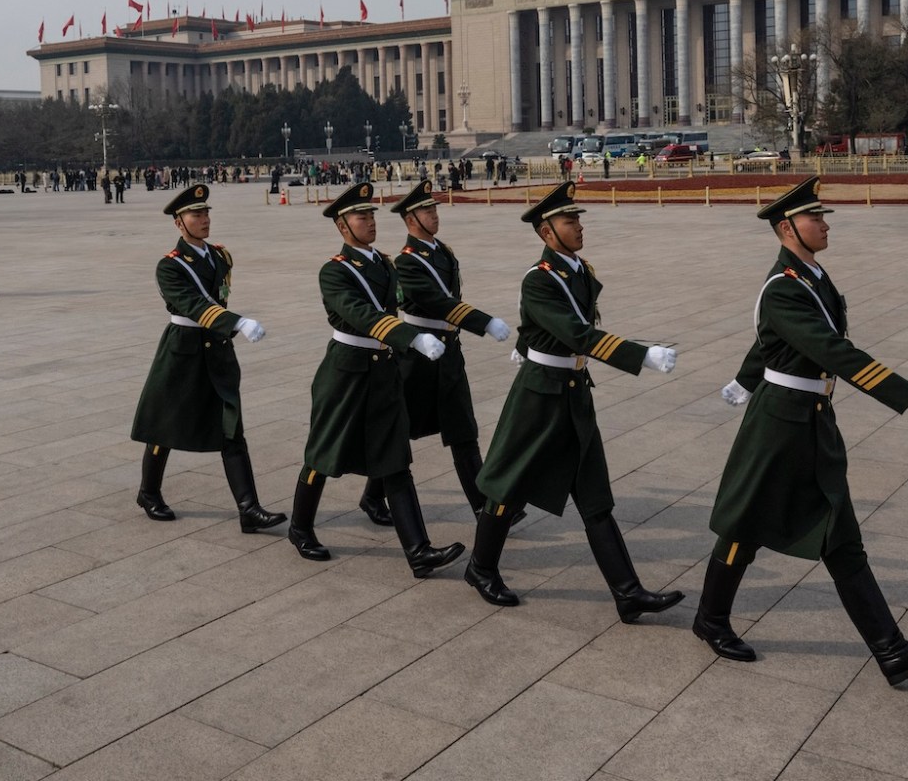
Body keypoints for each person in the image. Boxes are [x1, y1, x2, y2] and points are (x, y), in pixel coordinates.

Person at [697, 177, 908, 686]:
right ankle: (710, 619)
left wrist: (743, 379)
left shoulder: (813, 279)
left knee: (840, 535)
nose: (824, 223)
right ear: (786, 228)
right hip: (779, 424)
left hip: (811, 419)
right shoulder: (784, 288)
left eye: (823, 215)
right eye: (814, 217)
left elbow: (776, 342)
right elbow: (832, 350)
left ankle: (890, 651)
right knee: (743, 526)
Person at [464, 181, 682, 622]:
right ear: (547, 232)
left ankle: (628, 592)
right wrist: (640, 354)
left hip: (574, 393)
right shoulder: (539, 280)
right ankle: (480, 568)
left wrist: (527, 339)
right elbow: (576, 332)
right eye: (570, 220)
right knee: (509, 483)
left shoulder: (579, 270)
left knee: (594, 495)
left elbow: (556, 326)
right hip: (539, 395)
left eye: (578, 218)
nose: (579, 226)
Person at [286, 181, 465, 579]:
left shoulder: (385, 264)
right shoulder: (334, 272)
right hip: (346, 371)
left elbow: (410, 302)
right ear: (341, 226)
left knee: (394, 460)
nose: (369, 221)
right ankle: (299, 528)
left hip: (383, 371)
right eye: (360, 216)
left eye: (370, 215)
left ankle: (419, 552)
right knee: (323, 454)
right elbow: (360, 315)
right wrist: (412, 337)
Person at [128, 183, 287, 534]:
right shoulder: (169, 266)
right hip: (183, 348)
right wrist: (237, 322)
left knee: (232, 428)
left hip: (216, 350)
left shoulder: (220, 256)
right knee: (164, 427)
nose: (203, 220)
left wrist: (228, 325)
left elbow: (218, 297)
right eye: (195, 215)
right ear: (178, 223)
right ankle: (148, 492)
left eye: (205, 213)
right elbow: (195, 306)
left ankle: (249, 508)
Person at [355, 181, 514, 526]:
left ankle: (483, 507)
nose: (435, 215)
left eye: (435, 209)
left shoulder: (442, 251)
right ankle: (371, 497)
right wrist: (483, 322)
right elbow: (438, 302)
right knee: (401, 433)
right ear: (411, 219)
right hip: (418, 356)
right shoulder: (408, 262)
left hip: (449, 354)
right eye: (427, 211)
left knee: (463, 431)